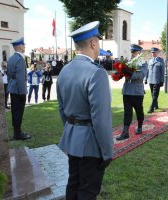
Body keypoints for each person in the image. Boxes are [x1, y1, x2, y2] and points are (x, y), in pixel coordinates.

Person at [57, 21, 114, 199]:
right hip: (90, 144)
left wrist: (72, 131)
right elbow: (101, 119)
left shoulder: (65, 70)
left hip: (72, 138)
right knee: (88, 191)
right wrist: (107, 151)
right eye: (98, 41)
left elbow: (61, 109)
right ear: (93, 43)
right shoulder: (96, 73)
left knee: (73, 184)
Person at [116, 44, 148, 140]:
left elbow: (141, 75)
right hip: (127, 91)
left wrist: (129, 73)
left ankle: (140, 126)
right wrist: (119, 73)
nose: (133, 54)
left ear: (139, 53)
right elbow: (122, 73)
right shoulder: (128, 62)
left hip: (137, 91)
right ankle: (125, 132)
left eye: (135, 52)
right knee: (127, 112)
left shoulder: (143, 63)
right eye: (132, 52)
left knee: (139, 111)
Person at [7, 37, 31, 140]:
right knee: (19, 112)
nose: (25, 46)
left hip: (12, 88)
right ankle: (18, 134)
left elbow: (9, 75)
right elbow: (21, 77)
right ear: (20, 46)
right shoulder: (20, 59)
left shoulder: (11, 58)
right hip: (19, 90)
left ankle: (17, 132)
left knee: (14, 111)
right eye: (24, 45)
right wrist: (23, 92)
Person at [145, 47, 165, 113]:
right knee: (152, 94)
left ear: (157, 53)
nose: (153, 53)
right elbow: (147, 70)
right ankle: (156, 105)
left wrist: (162, 80)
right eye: (152, 52)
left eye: (154, 52)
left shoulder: (161, 60)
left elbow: (162, 71)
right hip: (150, 80)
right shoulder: (150, 61)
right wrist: (146, 78)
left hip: (157, 80)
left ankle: (151, 108)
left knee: (155, 94)